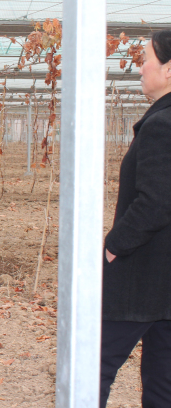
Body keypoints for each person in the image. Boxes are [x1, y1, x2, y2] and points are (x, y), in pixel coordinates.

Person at [100, 29, 171, 407]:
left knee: (91, 368)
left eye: (146, 59)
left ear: (169, 69)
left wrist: (114, 245)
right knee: (163, 383)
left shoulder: (162, 124)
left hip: (142, 279)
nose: (140, 68)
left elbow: (156, 202)